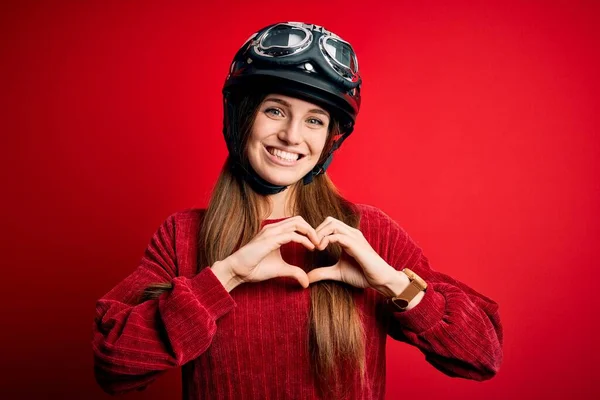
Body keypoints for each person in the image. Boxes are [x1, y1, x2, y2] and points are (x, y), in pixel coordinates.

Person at [92, 21, 503, 399]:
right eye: (275, 110)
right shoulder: (182, 236)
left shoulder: (368, 234)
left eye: (314, 120)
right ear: (242, 117)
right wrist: (225, 276)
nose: (291, 136)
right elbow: (114, 364)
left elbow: (482, 355)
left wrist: (393, 283)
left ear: (329, 140)